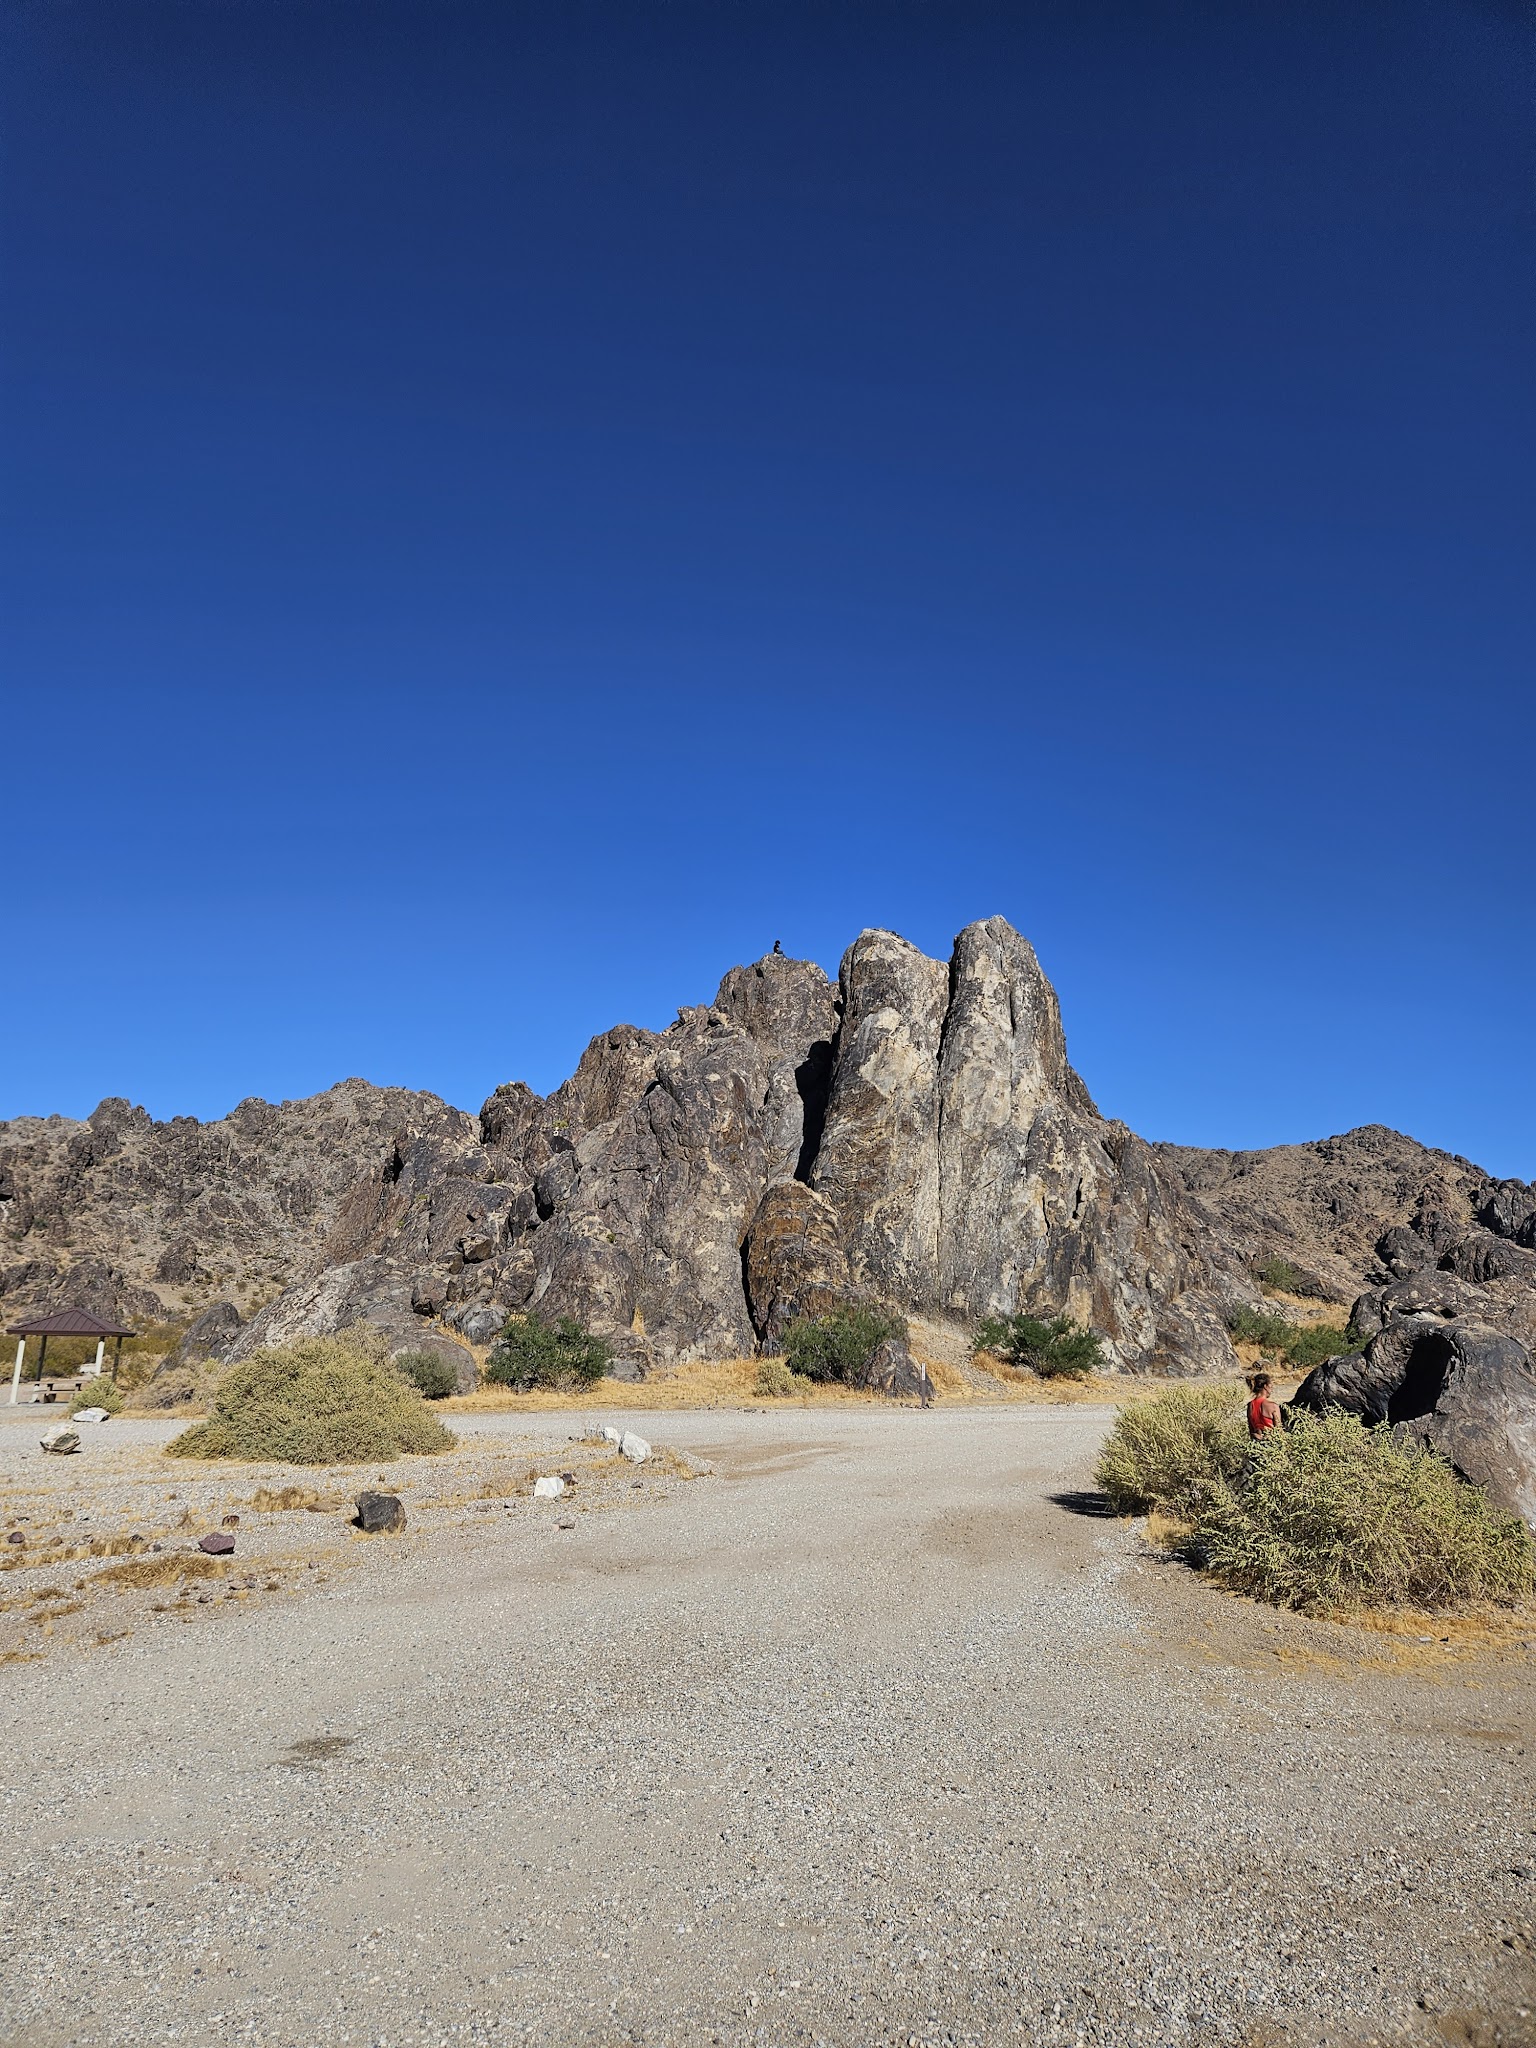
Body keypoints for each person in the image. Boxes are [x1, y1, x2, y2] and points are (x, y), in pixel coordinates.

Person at [1246, 1372, 1281, 1438]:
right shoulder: (1273, 1406)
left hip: (1256, 1444)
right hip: (1271, 1444)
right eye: (1270, 1386)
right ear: (1265, 1386)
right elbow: (1279, 1432)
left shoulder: (1250, 1405)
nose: (1271, 1390)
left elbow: (1251, 1431)